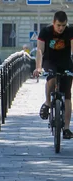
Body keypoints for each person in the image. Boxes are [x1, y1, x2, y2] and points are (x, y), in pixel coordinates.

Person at [33, 11, 73, 139]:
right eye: (58, 25)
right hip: (50, 61)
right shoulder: (46, 31)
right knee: (52, 79)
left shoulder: (70, 31)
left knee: (67, 94)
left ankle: (66, 128)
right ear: (53, 23)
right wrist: (38, 67)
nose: (61, 28)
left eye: (63, 25)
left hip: (65, 62)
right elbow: (40, 50)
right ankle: (48, 103)